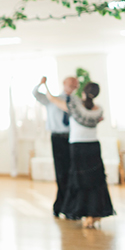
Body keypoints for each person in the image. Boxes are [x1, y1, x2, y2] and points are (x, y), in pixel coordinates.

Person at [44, 81, 115, 229]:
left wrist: (45, 85)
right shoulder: (99, 110)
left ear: (83, 92)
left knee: (80, 182)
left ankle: (83, 212)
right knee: (96, 181)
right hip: (94, 147)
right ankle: (95, 214)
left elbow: (51, 99)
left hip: (78, 148)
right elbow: (96, 120)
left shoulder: (75, 108)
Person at [33, 76, 79, 217]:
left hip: (73, 139)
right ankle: (60, 206)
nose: (72, 85)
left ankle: (71, 207)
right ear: (64, 83)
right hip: (58, 138)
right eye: (69, 82)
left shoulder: (77, 102)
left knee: (72, 173)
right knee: (61, 173)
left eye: (74, 83)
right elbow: (35, 94)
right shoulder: (52, 99)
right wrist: (41, 84)